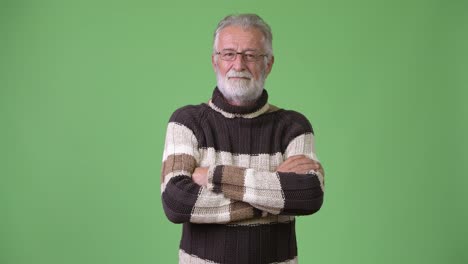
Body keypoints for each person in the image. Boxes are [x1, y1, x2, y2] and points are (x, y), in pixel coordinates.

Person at [161, 13, 325, 264]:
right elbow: (177, 203)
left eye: (251, 55)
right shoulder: (187, 122)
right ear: (215, 61)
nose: (238, 65)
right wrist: (272, 192)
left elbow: (308, 195)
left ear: (268, 63)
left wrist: (213, 176)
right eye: (228, 54)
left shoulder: (294, 126)